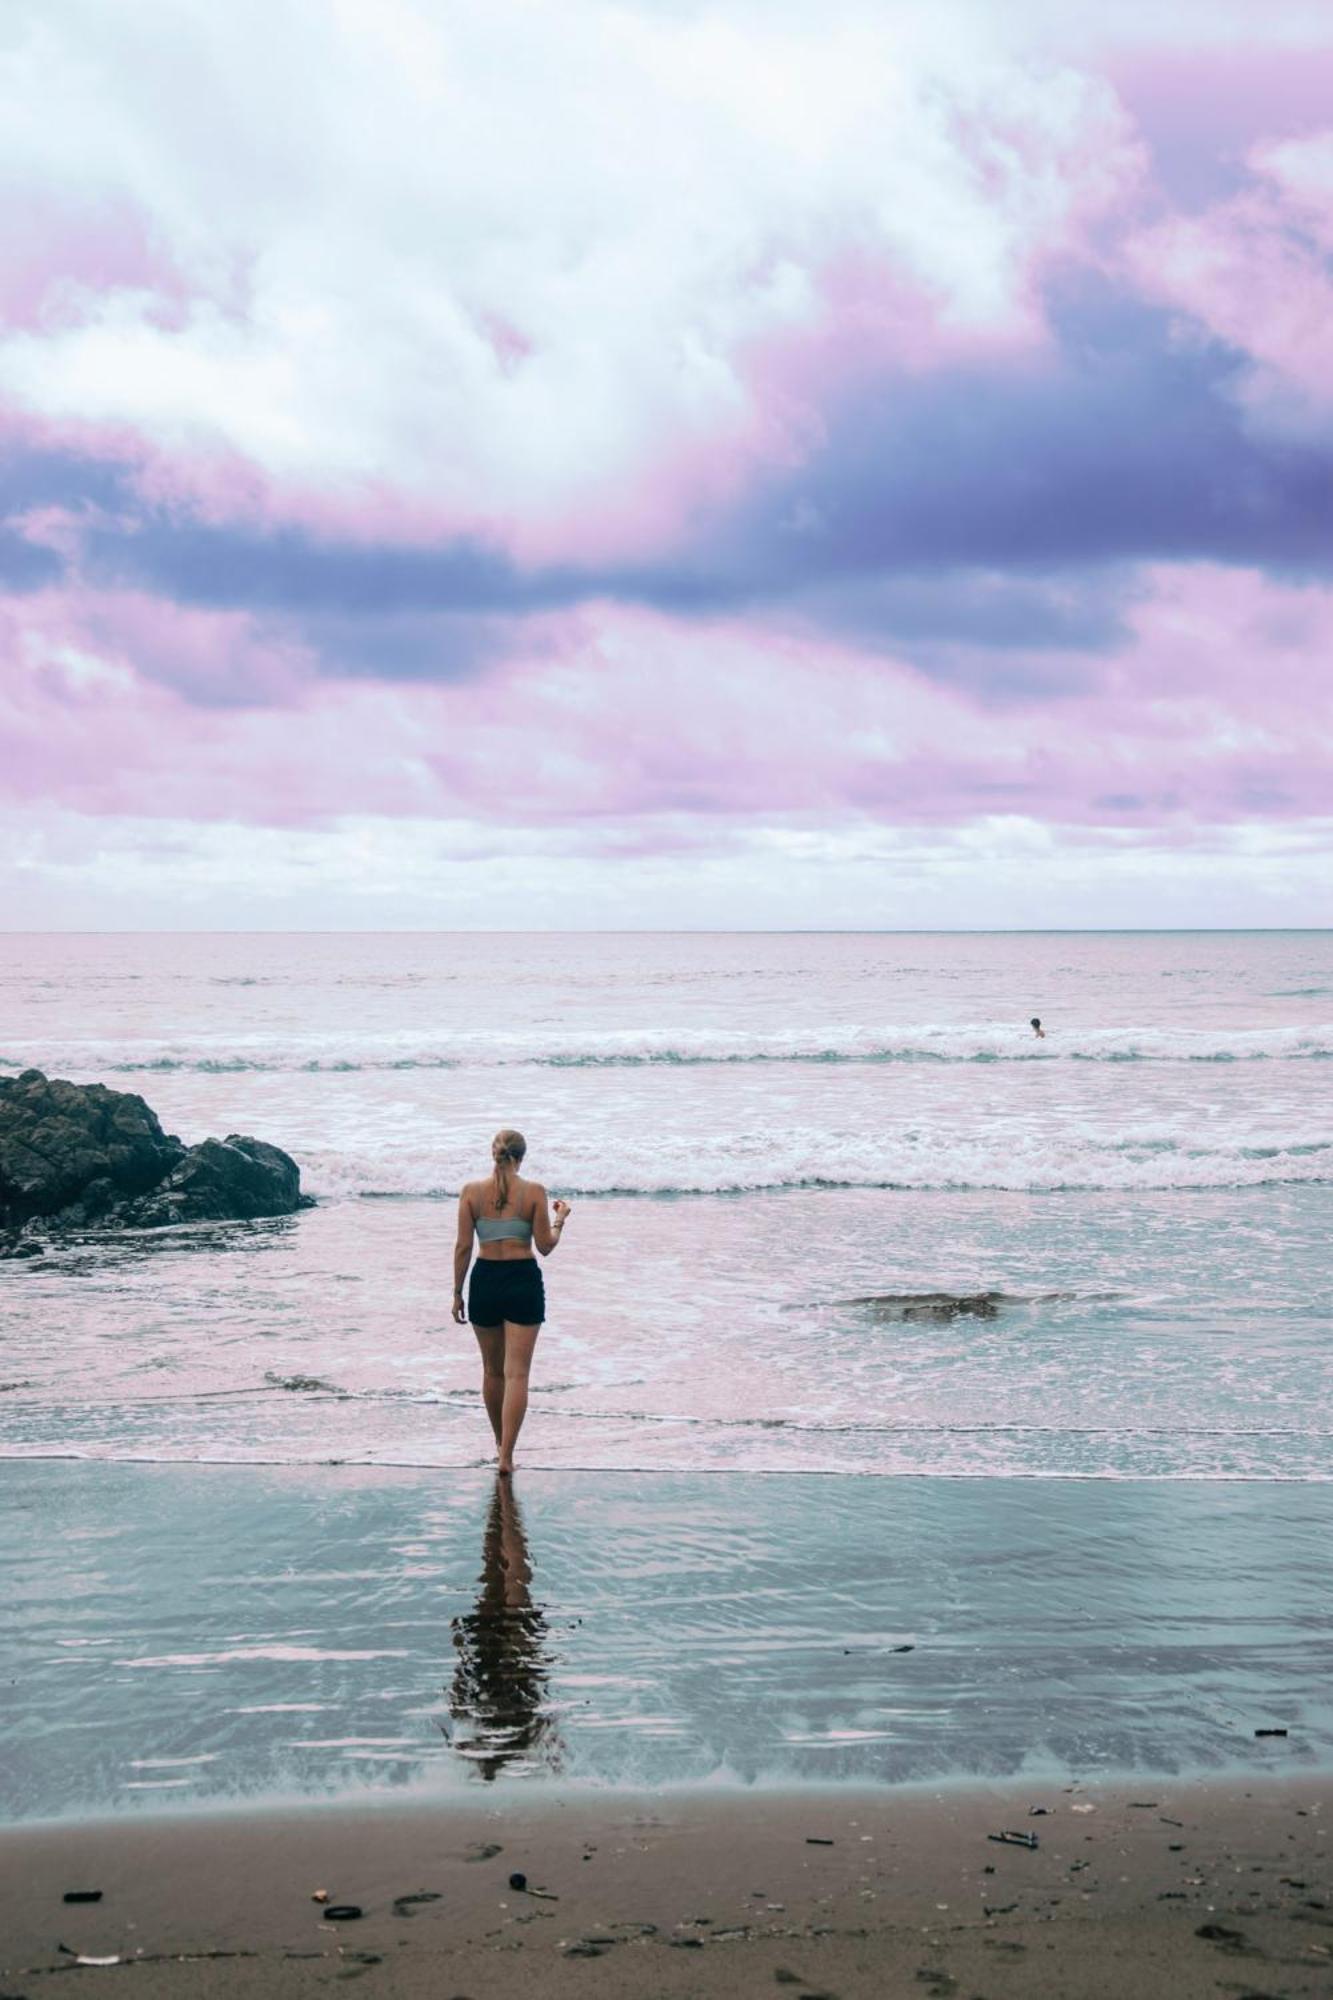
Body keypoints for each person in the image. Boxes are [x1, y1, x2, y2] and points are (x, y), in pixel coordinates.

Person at [452, 1129, 570, 1475]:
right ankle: (507, 1458)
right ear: (521, 1157)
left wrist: (457, 1291)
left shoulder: (471, 1193)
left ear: (494, 1154)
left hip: (485, 1280)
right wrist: (561, 1220)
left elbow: (463, 1247)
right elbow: (546, 1245)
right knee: (517, 1375)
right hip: (522, 1280)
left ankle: (498, 1445)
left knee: (492, 1371)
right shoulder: (533, 1192)